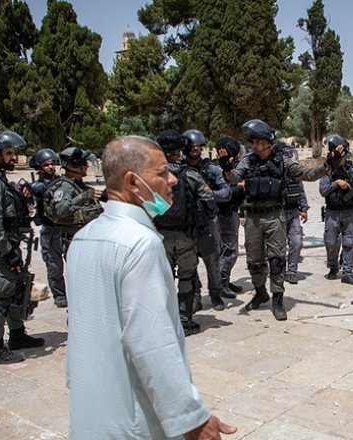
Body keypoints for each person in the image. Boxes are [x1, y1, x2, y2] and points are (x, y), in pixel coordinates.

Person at [66, 135, 237, 439]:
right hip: (133, 422)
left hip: (92, 414)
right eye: (161, 173)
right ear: (133, 182)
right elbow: (151, 343)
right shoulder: (139, 244)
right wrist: (191, 419)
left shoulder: (84, 237)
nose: (172, 180)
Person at [221, 119, 332, 321]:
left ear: (265, 141)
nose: (252, 145)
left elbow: (307, 174)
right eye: (251, 141)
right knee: (254, 260)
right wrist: (226, 168)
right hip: (253, 217)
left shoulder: (282, 161)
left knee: (276, 259)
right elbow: (234, 178)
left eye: (255, 141)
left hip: (274, 217)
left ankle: (278, 298)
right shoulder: (248, 160)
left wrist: (326, 166)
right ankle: (260, 291)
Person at [0, 130, 45, 365]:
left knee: (15, 291)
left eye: (13, 153)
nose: (13, 157)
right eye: (8, 153)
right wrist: (8, 252)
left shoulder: (1, 181)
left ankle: (17, 335)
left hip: (9, 245)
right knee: (1, 297)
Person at [154, 130, 215, 334]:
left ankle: (165, 319)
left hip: (160, 236)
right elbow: (209, 202)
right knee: (187, 277)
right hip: (186, 236)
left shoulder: (152, 177)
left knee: (164, 278)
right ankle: (184, 319)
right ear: (180, 151)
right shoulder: (190, 175)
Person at [183, 129, 232, 312]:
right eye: (192, 147)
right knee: (189, 263)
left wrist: (211, 194)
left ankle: (216, 294)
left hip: (208, 221)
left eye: (198, 147)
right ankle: (195, 295)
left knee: (213, 261)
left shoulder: (211, 169)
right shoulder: (179, 169)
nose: (195, 150)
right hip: (186, 224)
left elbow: (226, 193)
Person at [320, 135, 353, 286]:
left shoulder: (352, 169)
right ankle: (333, 267)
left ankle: (347, 272)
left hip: (349, 211)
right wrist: (337, 183)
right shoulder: (328, 170)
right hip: (332, 212)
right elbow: (323, 190)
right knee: (331, 242)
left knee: (349, 242)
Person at [44, 147, 104, 259]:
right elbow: (61, 211)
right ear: (74, 165)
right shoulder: (64, 187)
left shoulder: (78, 185)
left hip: (88, 239)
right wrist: (82, 197)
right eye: (84, 163)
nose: (87, 166)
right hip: (75, 242)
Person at [28, 149, 67, 308]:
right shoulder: (37, 186)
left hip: (65, 229)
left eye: (52, 164)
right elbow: (40, 192)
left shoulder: (62, 182)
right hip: (50, 231)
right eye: (46, 165)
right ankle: (59, 295)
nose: (51, 167)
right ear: (39, 167)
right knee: (54, 267)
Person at [214, 137, 246, 297]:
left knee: (226, 249)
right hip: (224, 213)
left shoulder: (227, 167)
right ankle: (221, 283)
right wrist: (239, 187)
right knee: (230, 250)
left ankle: (224, 280)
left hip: (230, 211)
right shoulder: (217, 169)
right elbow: (225, 192)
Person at [276, 143, 309, 285]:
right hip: (278, 213)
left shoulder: (294, 172)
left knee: (296, 242)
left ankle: (291, 272)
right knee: (278, 245)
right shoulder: (274, 173)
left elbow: (300, 190)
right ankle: (279, 270)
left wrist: (304, 208)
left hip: (294, 211)